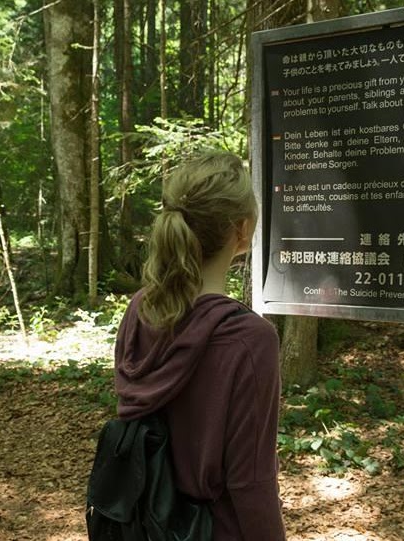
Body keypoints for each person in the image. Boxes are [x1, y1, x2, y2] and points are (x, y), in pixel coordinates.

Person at [113, 152, 286, 539]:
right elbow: (250, 482)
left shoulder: (142, 307)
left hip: (143, 522)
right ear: (241, 230)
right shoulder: (249, 339)